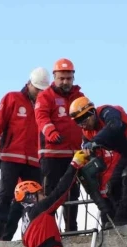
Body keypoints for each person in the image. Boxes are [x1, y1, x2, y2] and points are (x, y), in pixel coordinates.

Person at [69, 96, 127, 225]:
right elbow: (89, 152)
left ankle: (126, 220)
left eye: (83, 120)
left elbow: (115, 125)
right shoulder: (87, 133)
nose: (83, 125)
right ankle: (118, 219)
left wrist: (94, 142)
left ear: (91, 112)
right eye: (78, 122)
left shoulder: (106, 111)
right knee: (112, 185)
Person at [0, 68, 49, 241]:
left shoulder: (44, 105)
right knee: (6, 193)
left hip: (34, 161)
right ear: (29, 83)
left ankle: (29, 234)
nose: (39, 93)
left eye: (42, 90)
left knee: (32, 198)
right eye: (37, 89)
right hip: (10, 156)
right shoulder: (12, 98)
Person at [35, 59, 85, 233]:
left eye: (68, 78)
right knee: (51, 194)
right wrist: (51, 132)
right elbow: (41, 117)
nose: (65, 82)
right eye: (62, 78)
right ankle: (48, 230)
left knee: (73, 193)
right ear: (54, 77)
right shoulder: (45, 96)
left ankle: (71, 229)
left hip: (73, 154)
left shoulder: (79, 97)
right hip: (51, 155)